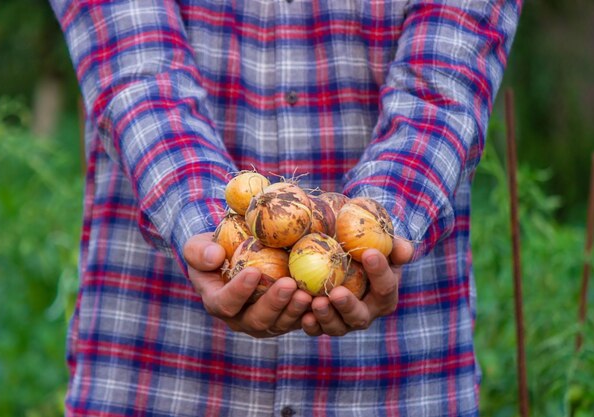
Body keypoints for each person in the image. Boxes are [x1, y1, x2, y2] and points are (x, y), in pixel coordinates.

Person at [50, 0, 521, 415]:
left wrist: (379, 223)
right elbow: (138, 74)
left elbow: (441, 92)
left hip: (395, 375)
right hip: (157, 366)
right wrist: (213, 232)